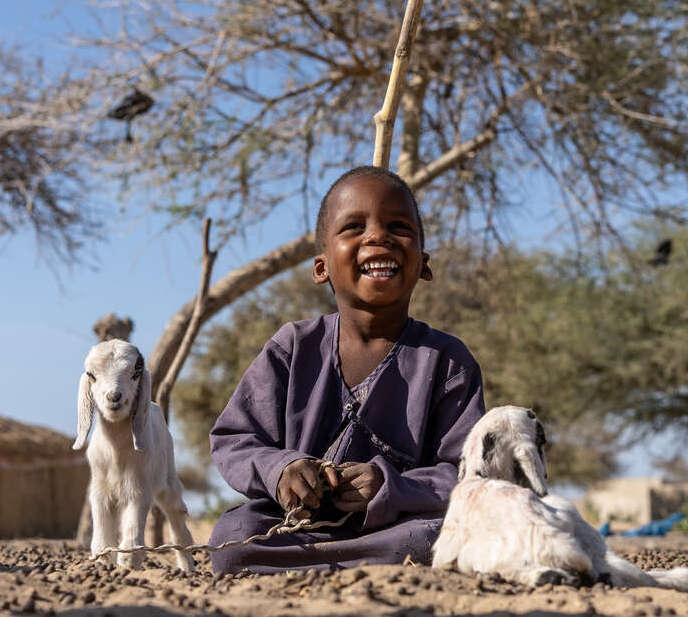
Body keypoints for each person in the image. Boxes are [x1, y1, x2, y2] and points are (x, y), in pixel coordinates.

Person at [206, 166, 486, 574]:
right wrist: (281, 469)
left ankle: (339, 563)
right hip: (297, 527)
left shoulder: (447, 360)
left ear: (423, 264)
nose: (378, 236)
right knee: (234, 538)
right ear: (321, 268)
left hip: (397, 526)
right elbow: (234, 440)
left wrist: (391, 487)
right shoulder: (293, 347)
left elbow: (466, 473)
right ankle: (349, 563)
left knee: (428, 538)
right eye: (355, 227)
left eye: (398, 227)